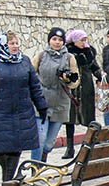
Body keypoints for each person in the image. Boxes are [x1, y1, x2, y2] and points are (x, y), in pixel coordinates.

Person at [0, 32, 48, 182]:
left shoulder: (24, 61)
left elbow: (34, 85)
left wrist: (41, 105)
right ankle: (8, 173)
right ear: (3, 45)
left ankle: (8, 178)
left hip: (22, 111)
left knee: (17, 145)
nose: (15, 46)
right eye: (11, 43)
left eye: (17, 43)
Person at [31, 27, 79, 162]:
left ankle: (43, 158)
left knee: (48, 144)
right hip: (42, 102)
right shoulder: (41, 56)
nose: (57, 42)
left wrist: (67, 80)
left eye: (60, 40)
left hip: (60, 103)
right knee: (39, 139)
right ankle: (36, 168)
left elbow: (75, 81)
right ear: (49, 40)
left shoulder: (70, 58)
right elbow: (31, 74)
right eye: (54, 39)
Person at [63, 29, 102, 159]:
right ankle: (69, 148)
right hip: (72, 87)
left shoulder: (89, 51)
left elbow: (94, 66)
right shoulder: (67, 52)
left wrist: (99, 75)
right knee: (70, 118)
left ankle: (87, 147)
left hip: (86, 86)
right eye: (82, 40)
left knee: (88, 115)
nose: (84, 43)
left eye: (86, 40)